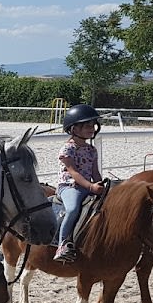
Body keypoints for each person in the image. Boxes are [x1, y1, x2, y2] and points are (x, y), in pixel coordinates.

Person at [53, 104, 104, 262]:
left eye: (93, 125)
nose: (91, 129)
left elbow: (95, 172)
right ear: (74, 128)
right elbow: (73, 172)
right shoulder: (67, 149)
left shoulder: (91, 150)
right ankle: (62, 244)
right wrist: (91, 186)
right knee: (73, 209)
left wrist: (100, 184)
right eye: (87, 126)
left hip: (87, 186)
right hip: (69, 187)